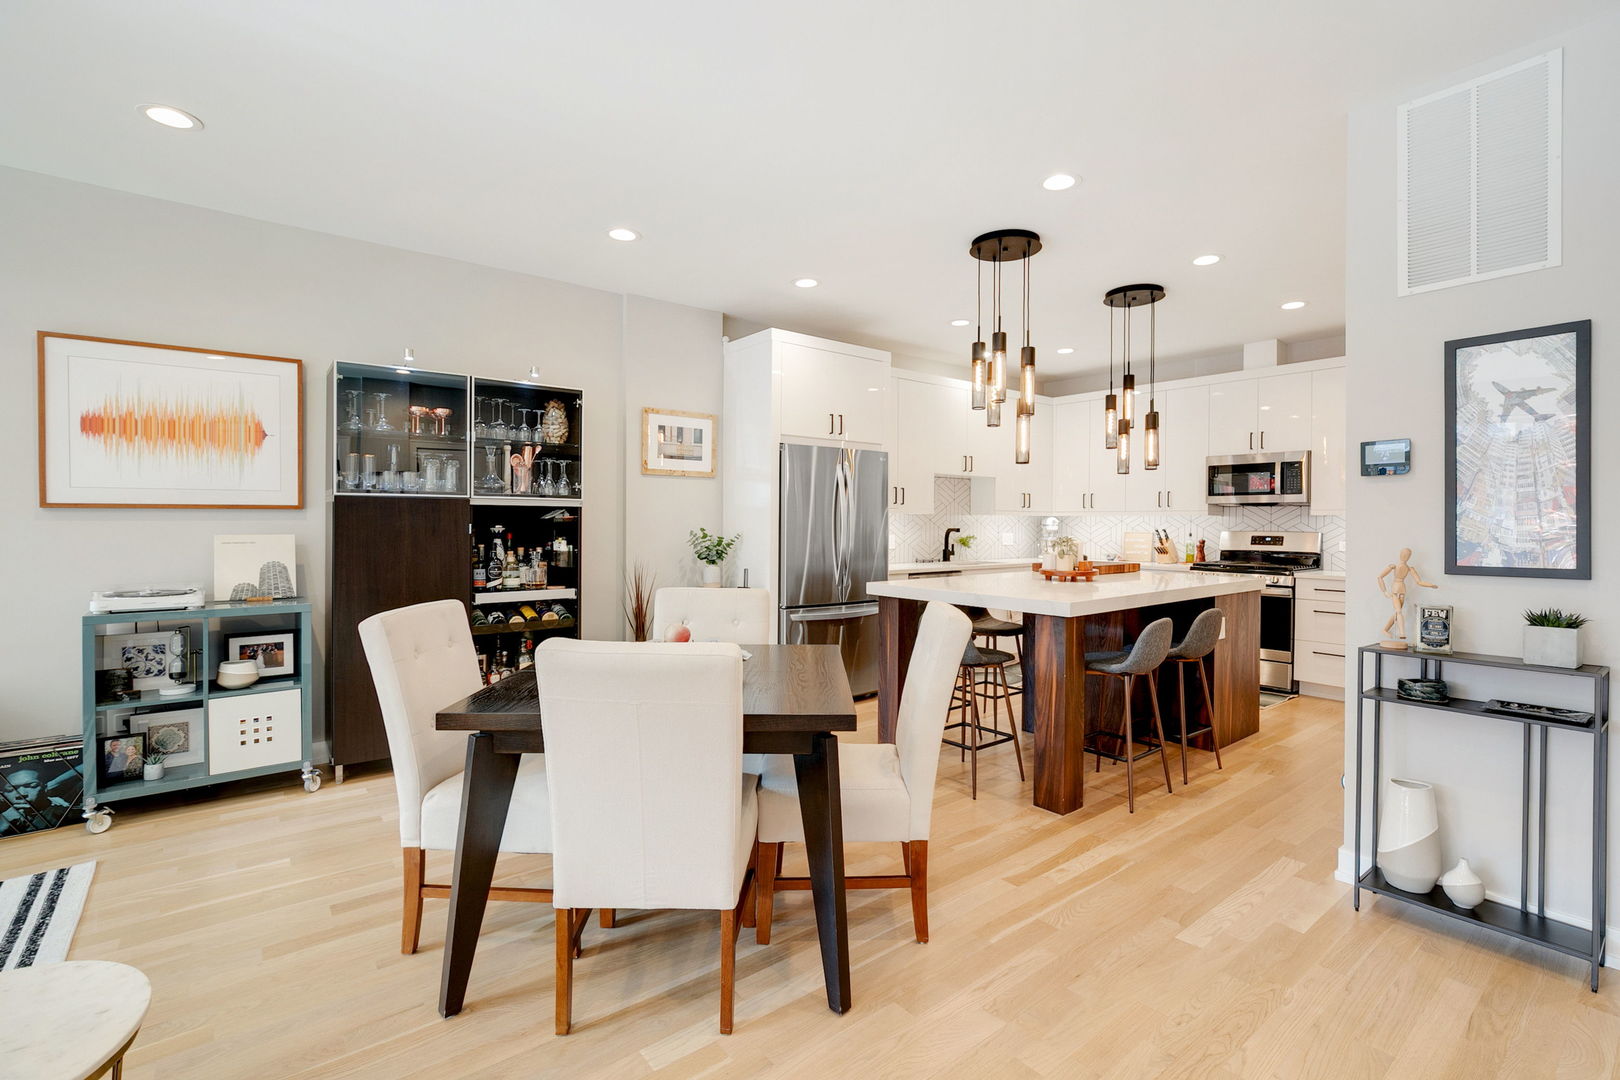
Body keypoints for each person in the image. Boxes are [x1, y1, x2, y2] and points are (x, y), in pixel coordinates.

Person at [1377, 547, 1438, 645]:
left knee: (1397, 613)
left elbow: (1419, 581)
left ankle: (1385, 629)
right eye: (1404, 554)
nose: (1405, 556)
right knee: (1399, 611)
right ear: (1400, 554)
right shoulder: (1393, 566)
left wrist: (1430, 585)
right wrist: (1384, 591)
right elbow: (1380, 577)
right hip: (1395, 590)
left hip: (1402, 590)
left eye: (1408, 555)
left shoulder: (1410, 568)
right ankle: (1402, 633)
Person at [1, 768, 72, 836]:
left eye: (32, 785)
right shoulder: (3, 818)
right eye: (10, 789)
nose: (21, 794)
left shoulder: (65, 811)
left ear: (45, 788)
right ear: (2, 795)